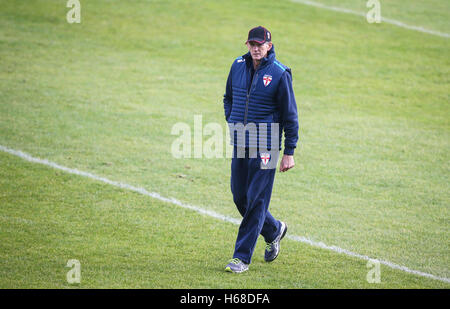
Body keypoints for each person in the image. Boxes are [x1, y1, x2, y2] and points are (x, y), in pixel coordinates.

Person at [223, 26, 299, 273]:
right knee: (240, 197)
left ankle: (241, 258)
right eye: (251, 44)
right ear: (247, 45)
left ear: (269, 45)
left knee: (256, 200)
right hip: (241, 143)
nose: (256, 49)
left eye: (260, 45)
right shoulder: (237, 65)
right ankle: (274, 229)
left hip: (267, 147)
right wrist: (233, 121)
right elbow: (228, 98)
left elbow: (290, 115)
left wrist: (289, 151)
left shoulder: (279, 74)